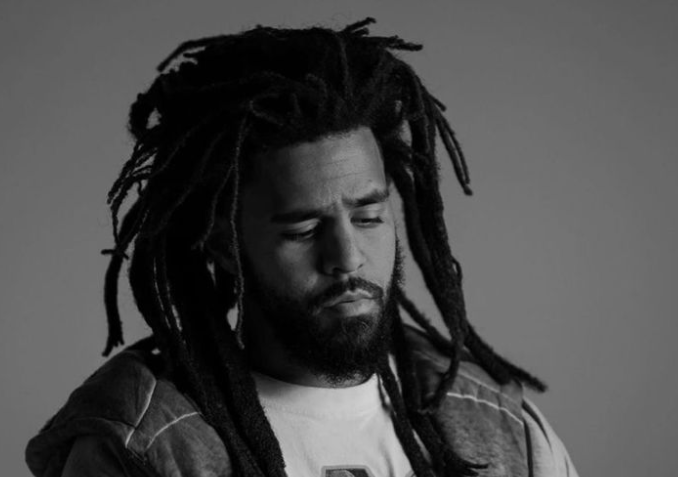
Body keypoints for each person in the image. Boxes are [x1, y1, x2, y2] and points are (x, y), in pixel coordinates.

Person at [25, 18, 578, 477]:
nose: (347, 257)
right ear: (224, 244)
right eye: (303, 230)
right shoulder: (146, 445)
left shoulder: (500, 426)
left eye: (368, 217)